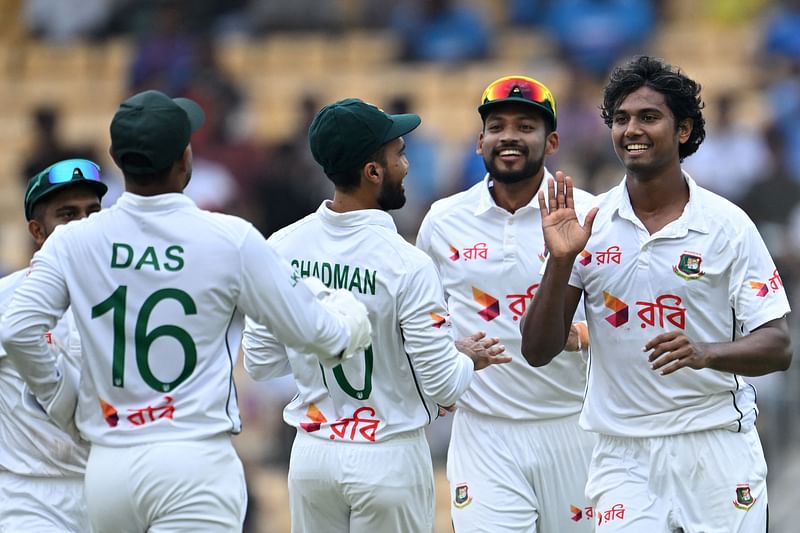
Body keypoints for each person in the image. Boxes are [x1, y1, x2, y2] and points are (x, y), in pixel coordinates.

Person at [0, 89, 372, 533]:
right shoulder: (228, 237)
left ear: (117, 158)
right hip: (193, 457)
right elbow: (320, 335)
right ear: (185, 158)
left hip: (110, 465)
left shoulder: (74, 241)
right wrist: (351, 315)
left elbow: (19, 329)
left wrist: (67, 405)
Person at [521, 56, 793, 532]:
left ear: (684, 129)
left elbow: (779, 345)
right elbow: (537, 349)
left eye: (649, 117)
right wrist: (561, 259)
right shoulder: (589, 225)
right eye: (621, 118)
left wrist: (707, 352)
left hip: (714, 447)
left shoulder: (726, 226)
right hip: (622, 456)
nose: (632, 129)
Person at [242, 98, 511, 533]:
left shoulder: (281, 246)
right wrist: (465, 357)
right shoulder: (406, 263)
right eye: (399, 154)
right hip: (387, 455)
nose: (406, 165)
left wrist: (323, 346)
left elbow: (260, 362)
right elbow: (443, 385)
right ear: (373, 172)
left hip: (313, 456)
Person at [416, 76, 597, 532]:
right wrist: (446, 355)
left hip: (573, 426)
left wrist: (579, 335)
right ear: (479, 143)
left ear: (551, 141)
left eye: (526, 126)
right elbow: (420, 318)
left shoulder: (592, 215)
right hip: (484, 432)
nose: (510, 136)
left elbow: (625, 318)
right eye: (497, 126)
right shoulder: (443, 220)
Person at [0, 158, 107, 531]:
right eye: (67, 215)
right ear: (37, 230)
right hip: (29, 496)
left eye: (93, 212)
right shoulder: (6, 300)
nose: (83, 225)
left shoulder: (129, 300)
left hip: (111, 492)